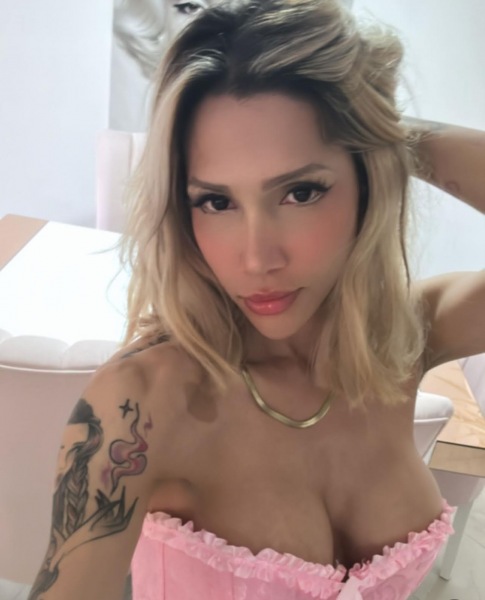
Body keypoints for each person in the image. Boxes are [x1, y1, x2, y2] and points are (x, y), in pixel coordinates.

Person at [29, 0, 485, 598]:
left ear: (368, 182)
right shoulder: (143, 406)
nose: (256, 259)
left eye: (301, 192)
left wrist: (383, 133)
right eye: (216, 202)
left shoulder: (407, 335)